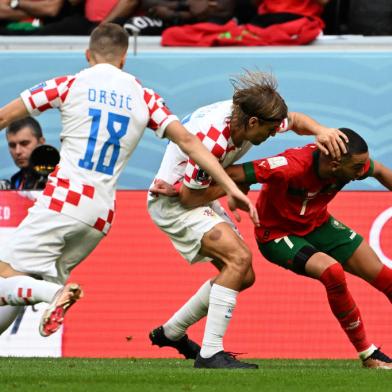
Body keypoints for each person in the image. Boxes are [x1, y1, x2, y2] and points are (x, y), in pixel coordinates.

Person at [0, 23, 257, 338]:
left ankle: (54, 295)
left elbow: (3, 117)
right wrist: (231, 188)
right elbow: (189, 142)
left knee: (6, 273)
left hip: (62, 201)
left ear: (87, 54)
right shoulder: (144, 96)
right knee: (22, 281)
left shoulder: (69, 84)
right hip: (99, 217)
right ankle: (50, 293)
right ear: (123, 59)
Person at [147, 70, 347, 369]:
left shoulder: (249, 114)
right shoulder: (214, 139)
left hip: (198, 192)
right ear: (253, 122)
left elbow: (294, 120)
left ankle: (172, 332)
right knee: (238, 259)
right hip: (174, 202)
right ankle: (210, 354)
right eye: (267, 131)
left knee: (244, 275)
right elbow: (189, 198)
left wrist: (320, 129)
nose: (270, 136)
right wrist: (234, 183)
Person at [196, 127, 392, 369]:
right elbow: (231, 173)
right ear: (334, 166)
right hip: (277, 234)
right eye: (356, 168)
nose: (361, 171)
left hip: (318, 223)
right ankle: (368, 354)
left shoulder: (351, 163)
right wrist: (183, 194)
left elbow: (381, 171)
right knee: (332, 272)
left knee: (387, 278)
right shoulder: (290, 166)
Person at [5, 116, 46, 190]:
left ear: (41, 143)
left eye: (24, 143)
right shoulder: (15, 181)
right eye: (12, 145)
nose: (18, 151)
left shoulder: (56, 178)